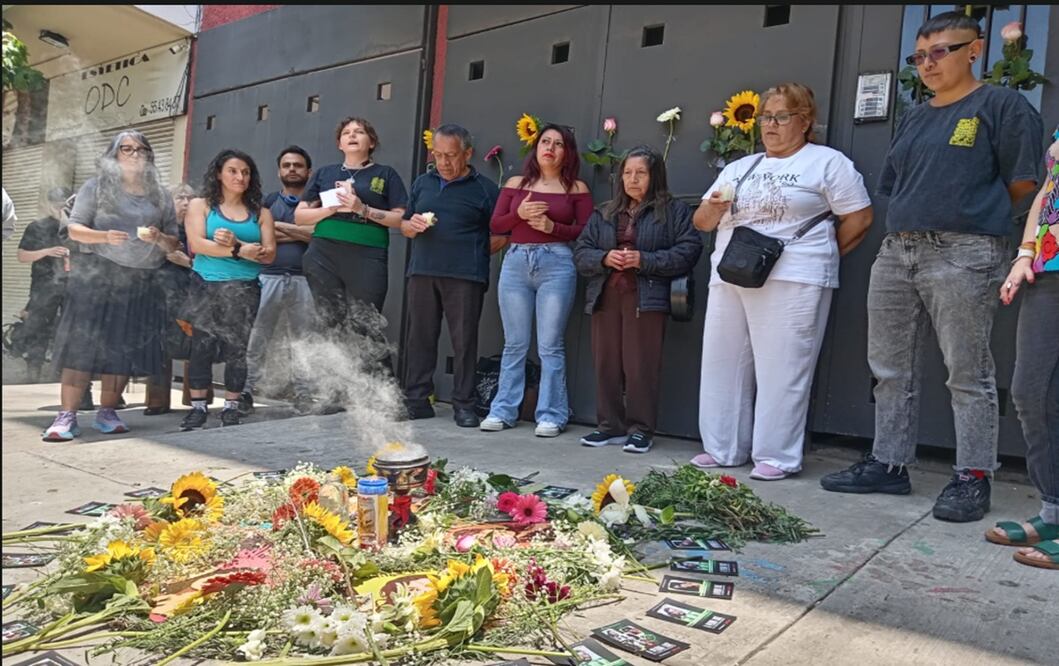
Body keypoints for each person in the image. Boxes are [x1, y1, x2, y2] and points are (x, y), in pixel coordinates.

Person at [820, 11, 1043, 522]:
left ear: (974, 49)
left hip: (966, 251)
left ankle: (973, 475)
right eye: (919, 56)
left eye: (940, 51)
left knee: (967, 370)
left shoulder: (1002, 105)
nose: (928, 63)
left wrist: (982, 223)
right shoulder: (918, 115)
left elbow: (1025, 186)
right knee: (889, 366)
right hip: (899, 250)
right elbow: (898, 185)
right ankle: (889, 463)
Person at [692, 83, 873, 481]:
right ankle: (722, 447)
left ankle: (777, 454)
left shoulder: (827, 162)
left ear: (805, 121)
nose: (770, 126)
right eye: (765, 118)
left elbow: (859, 218)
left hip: (794, 277)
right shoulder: (739, 167)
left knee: (784, 367)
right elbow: (702, 224)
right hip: (731, 274)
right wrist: (712, 207)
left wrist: (814, 256)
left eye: (781, 117)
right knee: (722, 362)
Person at [44, 130, 181, 441]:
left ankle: (108, 411)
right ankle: (67, 416)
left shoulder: (160, 194)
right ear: (114, 155)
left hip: (140, 277)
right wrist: (104, 236)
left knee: (122, 346)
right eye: (126, 149)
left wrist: (159, 237)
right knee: (82, 345)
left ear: (149, 156)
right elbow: (75, 228)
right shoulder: (97, 186)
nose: (134, 154)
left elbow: (174, 244)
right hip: (98, 275)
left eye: (140, 149)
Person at [573, 145, 703, 453]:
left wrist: (643, 260)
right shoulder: (604, 212)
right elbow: (581, 253)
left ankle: (641, 429)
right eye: (627, 173)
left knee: (640, 365)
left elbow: (688, 252)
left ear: (655, 176)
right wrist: (605, 257)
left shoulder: (673, 212)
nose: (633, 179)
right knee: (605, 363)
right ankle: (609, 426)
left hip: (647, 297)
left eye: (641, 173)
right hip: (606, 296)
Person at [480, 124, 592, 437]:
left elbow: (585, 231)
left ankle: (552, 415)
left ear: (567, 152)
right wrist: (521, 213)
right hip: (516, 261)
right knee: (514, 343)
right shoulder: (517, 183)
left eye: (558, 144)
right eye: (545, 141)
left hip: (556, 263)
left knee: (550, 345)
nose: (550, 148)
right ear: (536, 147)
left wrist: (551, 226)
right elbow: (497, 223)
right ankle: (503, 410)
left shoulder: (577, 189)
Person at [294, 117, 408, 409]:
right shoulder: (325, 173)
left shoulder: (386, 174)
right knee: (330, 323)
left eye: (360, 132)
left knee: (367, 322)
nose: (353, 136)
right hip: (323, 253)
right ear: (339, 143)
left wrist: (362, 208)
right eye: (346, 132)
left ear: (372, 141)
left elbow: (399, 218)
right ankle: (336, 393)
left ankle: (386, 398)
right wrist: (331, 208)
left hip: (368, 253)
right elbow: (300, 216)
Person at [987, 127, 1059, 570]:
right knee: (1032, 393)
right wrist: (1024, 254)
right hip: (1049, 269)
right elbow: (1049, 189)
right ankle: (1053, 511)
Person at [400, 123, 503, 427]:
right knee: (419, 337)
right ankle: (417, 401)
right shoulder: (423, 183)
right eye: (438, 155)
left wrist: (475, 252)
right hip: (422, 270)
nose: (444, 163)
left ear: (468, 154)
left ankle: (464, 405)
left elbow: (502, 235)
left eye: (452, 156)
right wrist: (411, 226)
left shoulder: (485, 189)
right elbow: (405, 225)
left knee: (464, 341)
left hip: (465, 276)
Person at [180, 149, 276, 430]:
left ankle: (231, 407)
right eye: (233, 171)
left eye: (245, 172)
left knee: (238, 348)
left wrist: (237, 248)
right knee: (202, 346)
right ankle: (198, 407)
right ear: (219, 174)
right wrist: (239, 250)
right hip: (205, 283)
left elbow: (269, 254)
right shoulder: (201, 205)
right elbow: (196, 245)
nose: (240, 177)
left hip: (245, 287)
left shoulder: (261, 213)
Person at [244, 146, 317, 416]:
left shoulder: (317, 204)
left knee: (304, 341)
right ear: (279, 171)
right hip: (267, 277)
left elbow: (318, 235)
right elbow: (258, 236)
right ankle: (245, 391)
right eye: (286, 165)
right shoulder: (268, 202)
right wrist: (300, 232)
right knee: (256, 338)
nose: (292, 169)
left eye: (298, 165)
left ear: (308, 172)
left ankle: (304, 395)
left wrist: (276, 229)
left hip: (305, 280)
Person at [143, 183, 197, 415]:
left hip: (191, 291)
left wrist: (187, 262)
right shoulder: (158, 228)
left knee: (195, 343)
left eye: (189, 198)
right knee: (157, 344)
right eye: (180, 198)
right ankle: (157, 400)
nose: (186, 203)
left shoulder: (199, 228)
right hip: (158, 291)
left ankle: (196, 396)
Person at [14, 187, 73, 382]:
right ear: (48, 204)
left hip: (71, 286)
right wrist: (47, 251)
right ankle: (33, 372)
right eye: (56, 204)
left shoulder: (77, 228)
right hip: (43, 286)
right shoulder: (37, 226)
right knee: (37, 329)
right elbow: (22, 256)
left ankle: (62, 373)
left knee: (68, 330)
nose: (59, 209)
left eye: (63, 204)